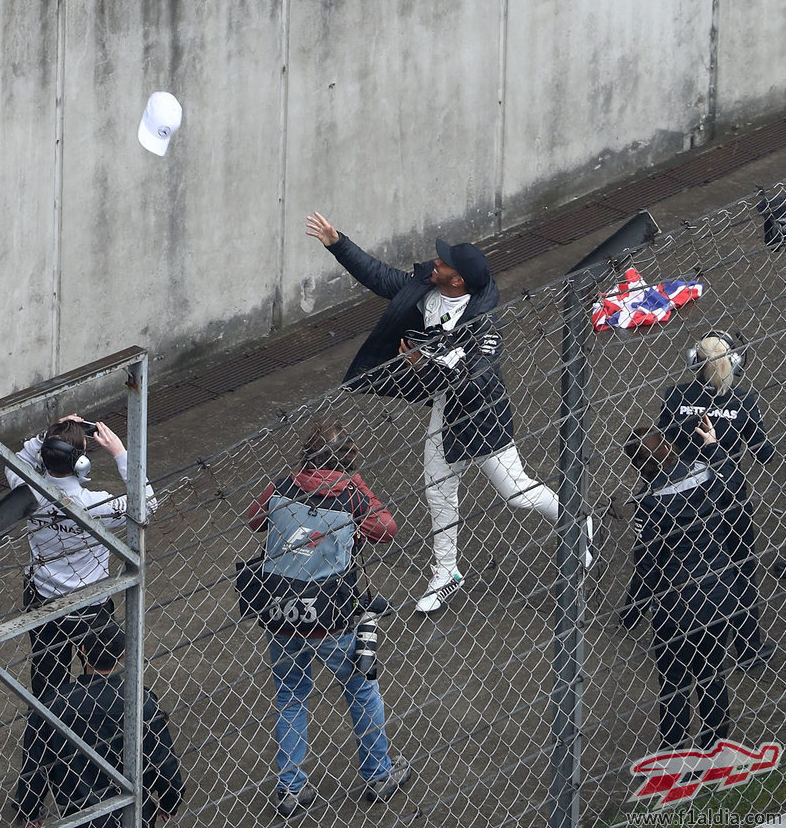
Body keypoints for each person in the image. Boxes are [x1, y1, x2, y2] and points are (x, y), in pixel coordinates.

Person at [306, 214, 589, 613]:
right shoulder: (427, 288)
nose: (435, 264)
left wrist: (424, 365)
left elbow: (475, 378)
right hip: (445, 410)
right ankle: (447, 572)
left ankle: (577, 519)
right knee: (438, 492)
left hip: (482, 415)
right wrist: (338, 243)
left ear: (458, 281)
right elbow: (380, 277)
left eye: (444, 264)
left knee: (516, 493)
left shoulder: (484, 323)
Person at [245, 417, 411, 815]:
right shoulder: (352, 494)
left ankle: (291, 788)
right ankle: (378, 773)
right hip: (331, 614)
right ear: (349, 459)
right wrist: (357, 491)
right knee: (360, 689)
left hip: (280, 610)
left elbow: (254, 519)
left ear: (306, 454)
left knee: (290, 696)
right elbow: (387, 529)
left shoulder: (283, 485)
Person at [620, 418, 751, 754]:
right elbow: (736, 488)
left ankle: (675, 755)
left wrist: (630, 613)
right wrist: (714, 446)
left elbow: (647, 564)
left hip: (677, 607)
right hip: (720, 594)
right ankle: (716, 748)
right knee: (711, 674)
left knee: (674, 683)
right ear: (668, 446)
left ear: (638, 466)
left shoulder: (648, 503)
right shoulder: (707, 474)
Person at [3, 414, 158, 699]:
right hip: (91, 605)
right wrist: (120, 454)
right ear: (81, 463)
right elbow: (148, 504)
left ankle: (47, 735)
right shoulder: (96, 504)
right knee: (100, 678)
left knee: (48, 682)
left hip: (43, 600)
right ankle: (92, 729)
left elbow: (16, 460)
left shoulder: (27, 491)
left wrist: (44, 436)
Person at [658, 331, 775, 670]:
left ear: (694, 362)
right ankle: (747, 646)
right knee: (741, 566)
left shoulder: (674, 395)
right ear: (734, 365)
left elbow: (663, 441)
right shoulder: (744, 402)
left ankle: (675, 624)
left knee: (677, 556)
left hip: (682, 494)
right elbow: (765, 454)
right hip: (728, 494)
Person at [18, 621, 184, 828]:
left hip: (78, 815)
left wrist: (30, 810)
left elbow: (35, 764)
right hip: (133, 815)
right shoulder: (141, 701)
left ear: (83, 650)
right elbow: (164, 762)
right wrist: (170, 802)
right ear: (123, 654)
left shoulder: (55, 704)